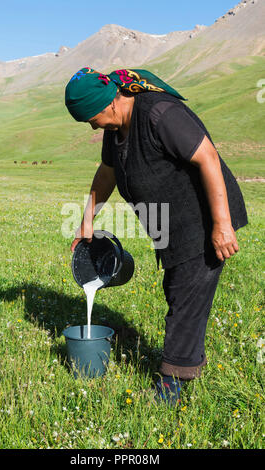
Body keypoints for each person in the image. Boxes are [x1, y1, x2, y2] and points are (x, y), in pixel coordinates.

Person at [65, 67, 248, 406]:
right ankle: (187, 360)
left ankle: (172, 385)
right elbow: (108, 172)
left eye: (93, 118)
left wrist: (221, 224)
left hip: (202, 217)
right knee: (178, 290)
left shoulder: (160, 114)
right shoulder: (117, 125)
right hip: (170, 224)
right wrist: (87, 220)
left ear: (112, 102)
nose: (93, 126)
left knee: (185, 298)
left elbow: (208, 157)